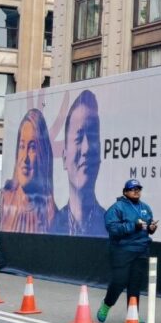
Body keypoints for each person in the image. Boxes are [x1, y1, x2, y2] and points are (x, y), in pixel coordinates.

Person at [97, 179, 158, 323]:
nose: (136, 191)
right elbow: (112, 229)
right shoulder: (117, 208)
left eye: (138, 188)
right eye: (132, 189)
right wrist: (133, 226)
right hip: (122, 250)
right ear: (125, 192)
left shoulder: (146, 207)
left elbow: (147, 227)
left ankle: (133, 315)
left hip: (141, 250)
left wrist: (151, 229)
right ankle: (107, 304)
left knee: (135, 284)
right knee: (119, 281)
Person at [53, 90, 106, 237]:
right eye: (78, 138)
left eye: (92, 137)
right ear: (64, 158)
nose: (86, 148)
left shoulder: (110, 225)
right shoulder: (51, 226)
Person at [1, 109, 55, 233]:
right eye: (21, 146)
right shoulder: (5, 199)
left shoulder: (50, 213)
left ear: (42, 154)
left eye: (32, 147)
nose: (25, 158)